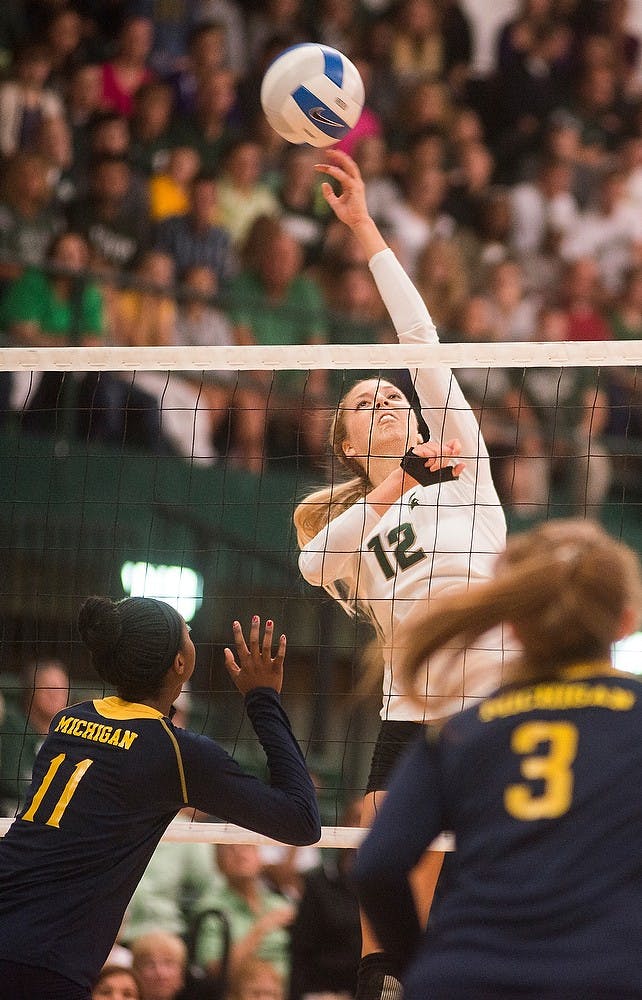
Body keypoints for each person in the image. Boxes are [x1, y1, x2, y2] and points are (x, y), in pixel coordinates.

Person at [294, 149, 510, 1000]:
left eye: (393, 395)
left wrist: (365, 228)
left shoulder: (465, 466)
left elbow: (420, 341)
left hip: (492, 699)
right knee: (382, 879)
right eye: (365, 403)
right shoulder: (357, 519)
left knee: (496, 882)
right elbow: (315, 564)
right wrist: (396, 481)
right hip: (409, 711)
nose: (387, 400)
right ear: (347, 443)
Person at [353, 517, 642, 1000]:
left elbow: (376, 865)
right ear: (626, 621)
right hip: (603, 975)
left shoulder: (464, 730)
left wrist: (421, 962)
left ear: (513, 624)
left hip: (462, 977)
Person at [0, 600, 321, 998]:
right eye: (188, 633)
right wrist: (263, 698)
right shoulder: (173, 752)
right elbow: (303, 820)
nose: (193, 640)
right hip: (43, 958)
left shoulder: (68, 720)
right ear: (180, 665)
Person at [0, 658, 69, 816]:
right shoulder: (10, 727)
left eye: (61, 689)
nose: (55, 696)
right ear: (31, 692)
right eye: (49, 689)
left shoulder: (73, 735)